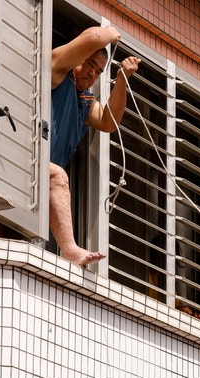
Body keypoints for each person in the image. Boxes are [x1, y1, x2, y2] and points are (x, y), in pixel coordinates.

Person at [50, 26, 141, 265]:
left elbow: (108, 122)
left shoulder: (84, 100)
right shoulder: (57, 70)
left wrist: (122, 79)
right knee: (58, 176)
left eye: (99, 71)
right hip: (26, 158)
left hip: (44, 177)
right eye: (90, 64)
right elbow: (96, 37)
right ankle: (70, 250)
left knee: (57, 178)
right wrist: (112, 31)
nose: (93, 73)